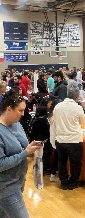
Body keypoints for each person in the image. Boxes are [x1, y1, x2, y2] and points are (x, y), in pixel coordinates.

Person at [0, 90, 42, 218]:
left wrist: (31, 146)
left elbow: (22, 144)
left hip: (18, 180)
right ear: (9, 109)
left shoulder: (16, 124)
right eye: (20, 110)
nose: (23, 114)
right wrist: (25, 153)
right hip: (5, 186)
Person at [51, 88, 85, 190]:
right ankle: (73, 182)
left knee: (62, 162)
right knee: (75, 163)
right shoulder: (77, 107)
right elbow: (83, 122)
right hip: (74, 139)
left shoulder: (58, 106)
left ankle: (64, 182)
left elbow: (54, 120)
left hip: (60, 139)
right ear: (76, 97)